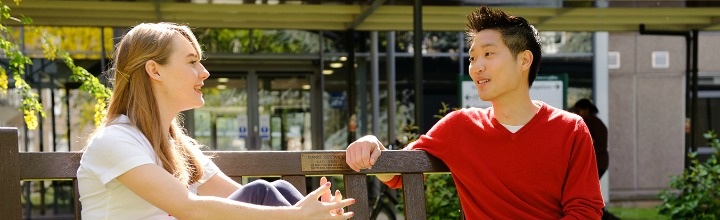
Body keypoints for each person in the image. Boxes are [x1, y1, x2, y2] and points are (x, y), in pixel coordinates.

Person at [345, 6, 604, 219]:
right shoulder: (459, 126)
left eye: (488, 54)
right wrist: (370, 144)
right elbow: (399, 173)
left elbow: (585, 210)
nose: (476, 67)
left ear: (524, 60)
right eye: (472, 58)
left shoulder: (570, 128)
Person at [76, 23, 354, 219]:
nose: (205, 72)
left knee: (273, 190)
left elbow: (245, 202)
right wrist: (296, 215)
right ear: (154, 70)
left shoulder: (177, 146)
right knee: (264, 192)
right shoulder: (115, 139)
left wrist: (314, 211)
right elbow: (188, 207)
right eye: (192, 62)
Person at [570, 99, 620, 220]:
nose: (578, 112)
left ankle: (601, 214)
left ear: (586, 110)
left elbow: (601, 145)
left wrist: (588, 143)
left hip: (598, 163)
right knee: (587, 191)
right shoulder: (587, 122)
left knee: (587, 192)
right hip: (596, 163)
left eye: (579, 110)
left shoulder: (595, 123)